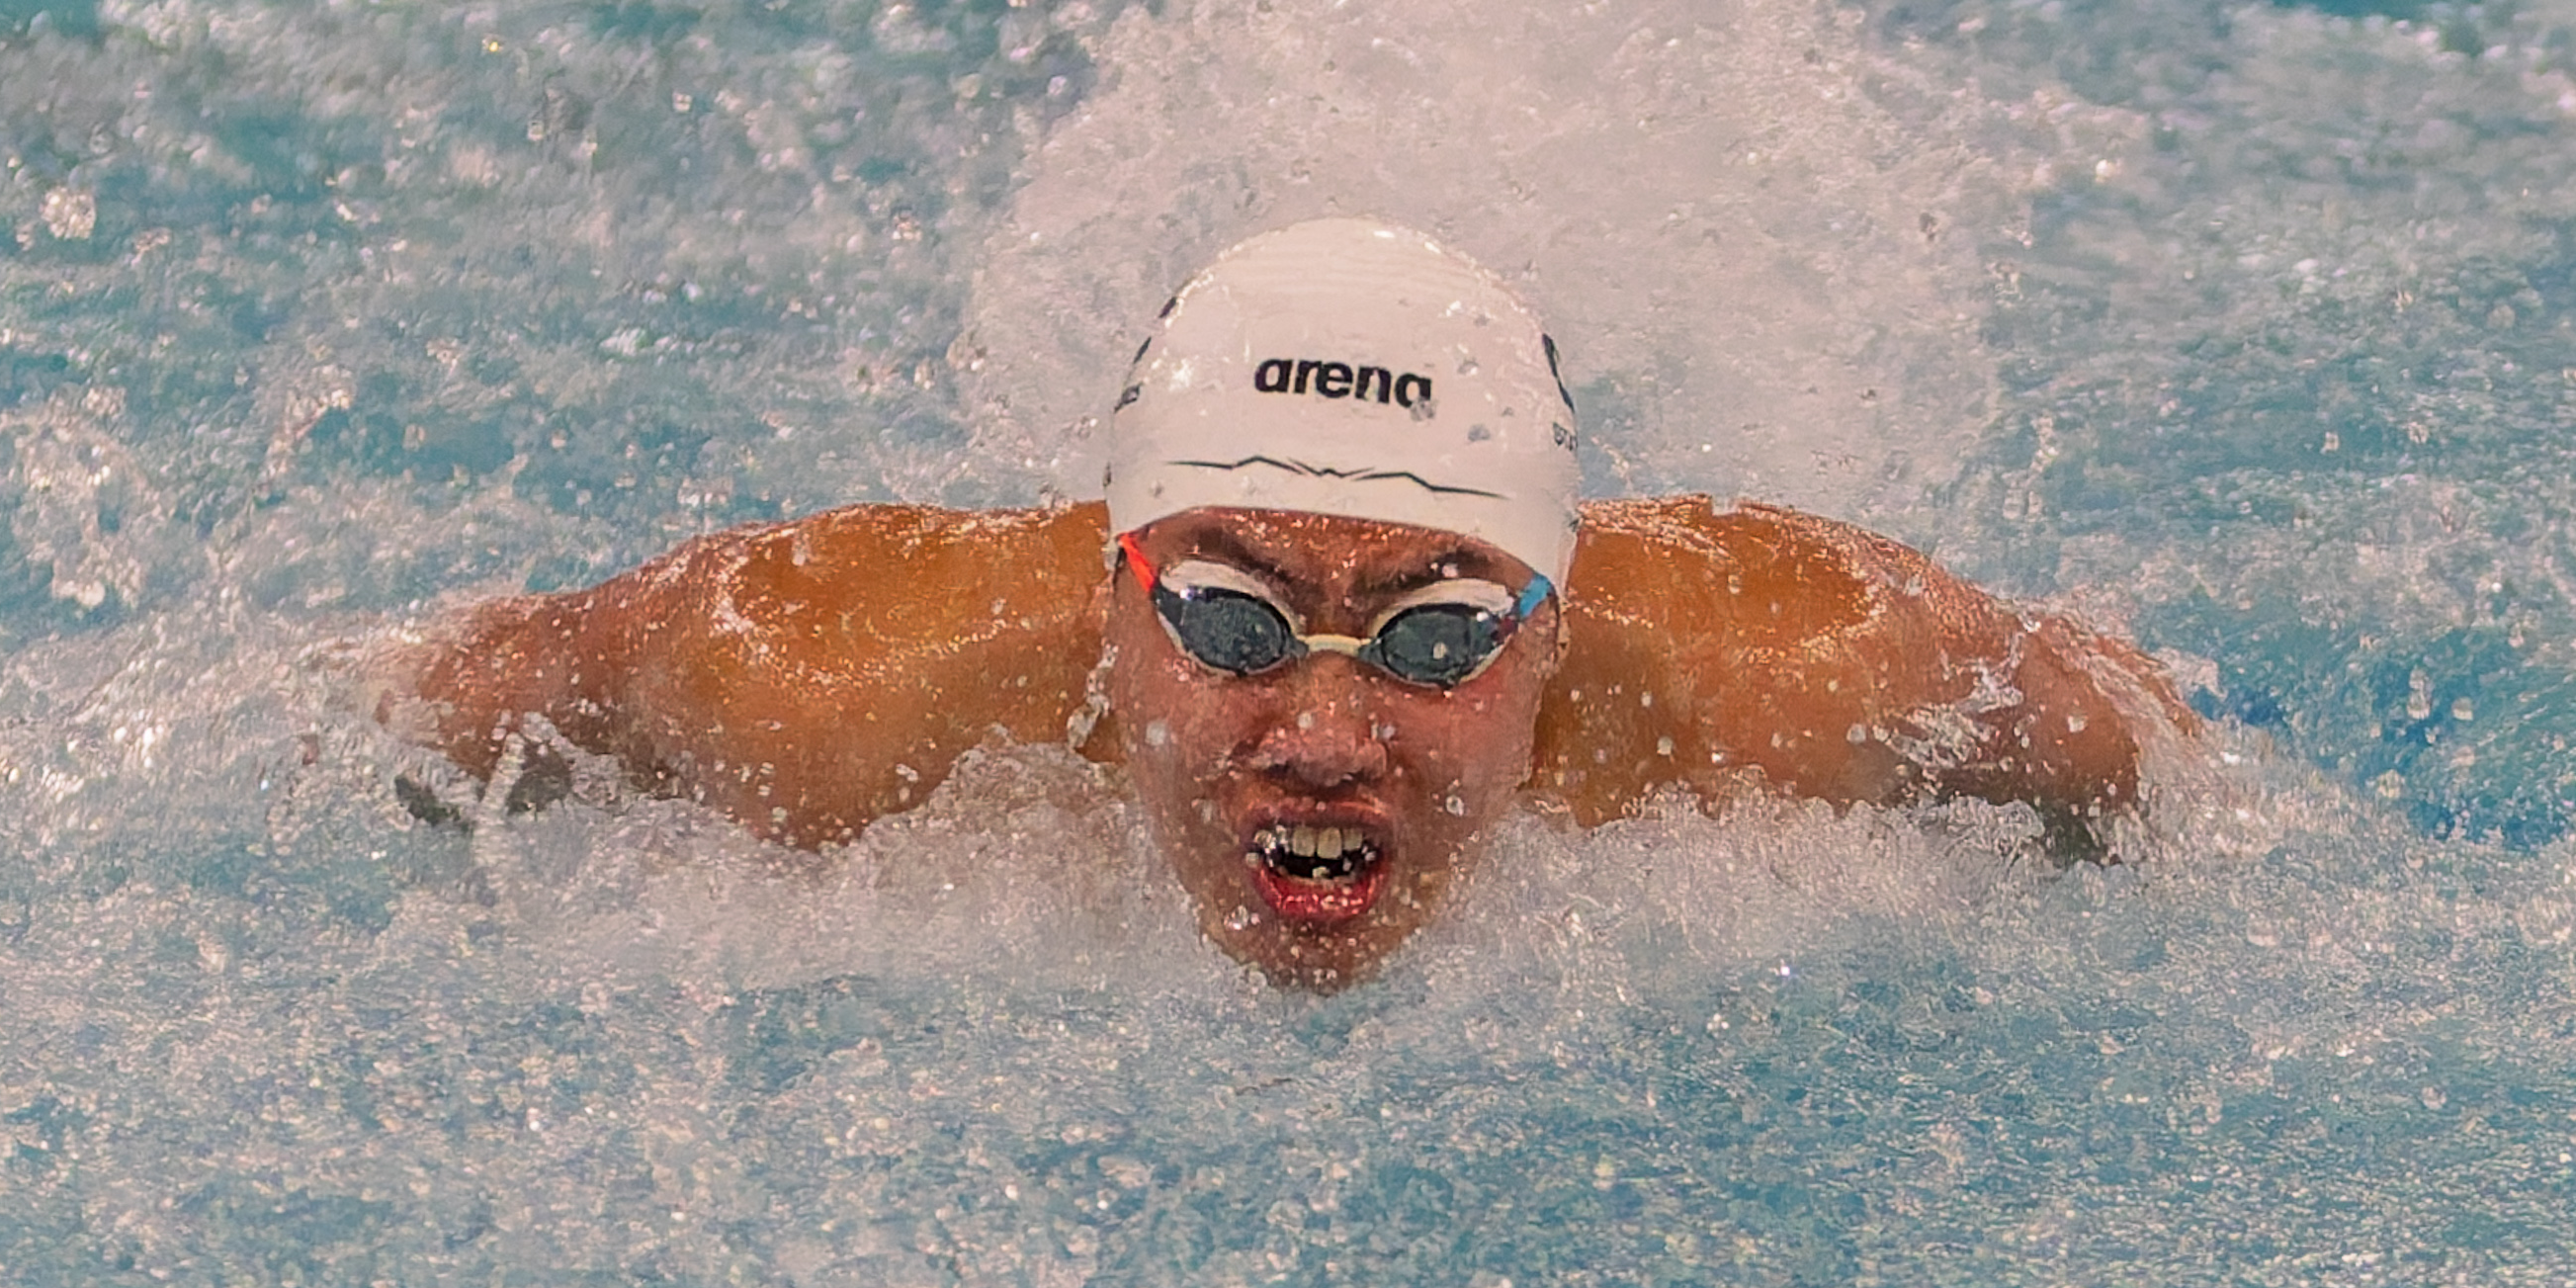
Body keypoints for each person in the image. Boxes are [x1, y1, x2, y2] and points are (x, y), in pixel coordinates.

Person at [380, 218, 2199, 984]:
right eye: (1234, 623)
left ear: (1557, 626)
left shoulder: (1800, 670)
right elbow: (405, 704)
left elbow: (2158, 762)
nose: (1324, 738)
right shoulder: (815, 677)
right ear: (1112, 596)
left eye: (1436, 636)